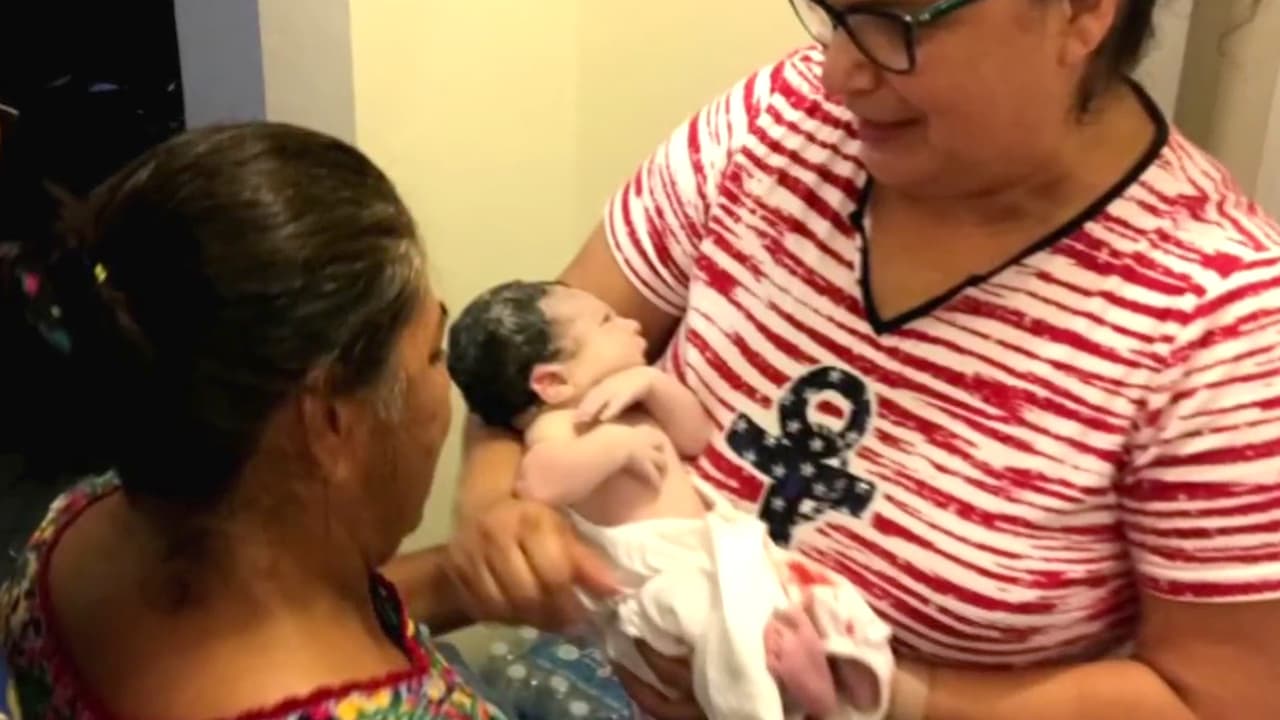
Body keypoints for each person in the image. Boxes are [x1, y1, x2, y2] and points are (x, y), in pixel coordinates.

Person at [448, 0, 1280, 718]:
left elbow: (1214, 700)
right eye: (834, 13)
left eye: (893, 19)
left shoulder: (1225, 321)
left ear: (1081, 13)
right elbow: (522, 373)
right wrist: (493, 506)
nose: (839, 73)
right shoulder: (770, 125)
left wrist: (874, 693)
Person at [0, 123, 524, 720]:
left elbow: (305, 610)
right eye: (433, 352)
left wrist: (462, 575)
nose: (446, 380)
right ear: (330, 419)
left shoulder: (76, 528)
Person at [446, 280, 892, 719]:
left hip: (714, 542)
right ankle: (781, 695)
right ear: (553, 382)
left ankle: (845, 669)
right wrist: (616, 448)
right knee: (716, 624)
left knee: (819, 592)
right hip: (657, 571)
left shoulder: (629, 398)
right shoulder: (558, 426)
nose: (630, 325)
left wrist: (652, 385)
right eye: (607, 321)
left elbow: (694, 436)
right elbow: (539, 484)